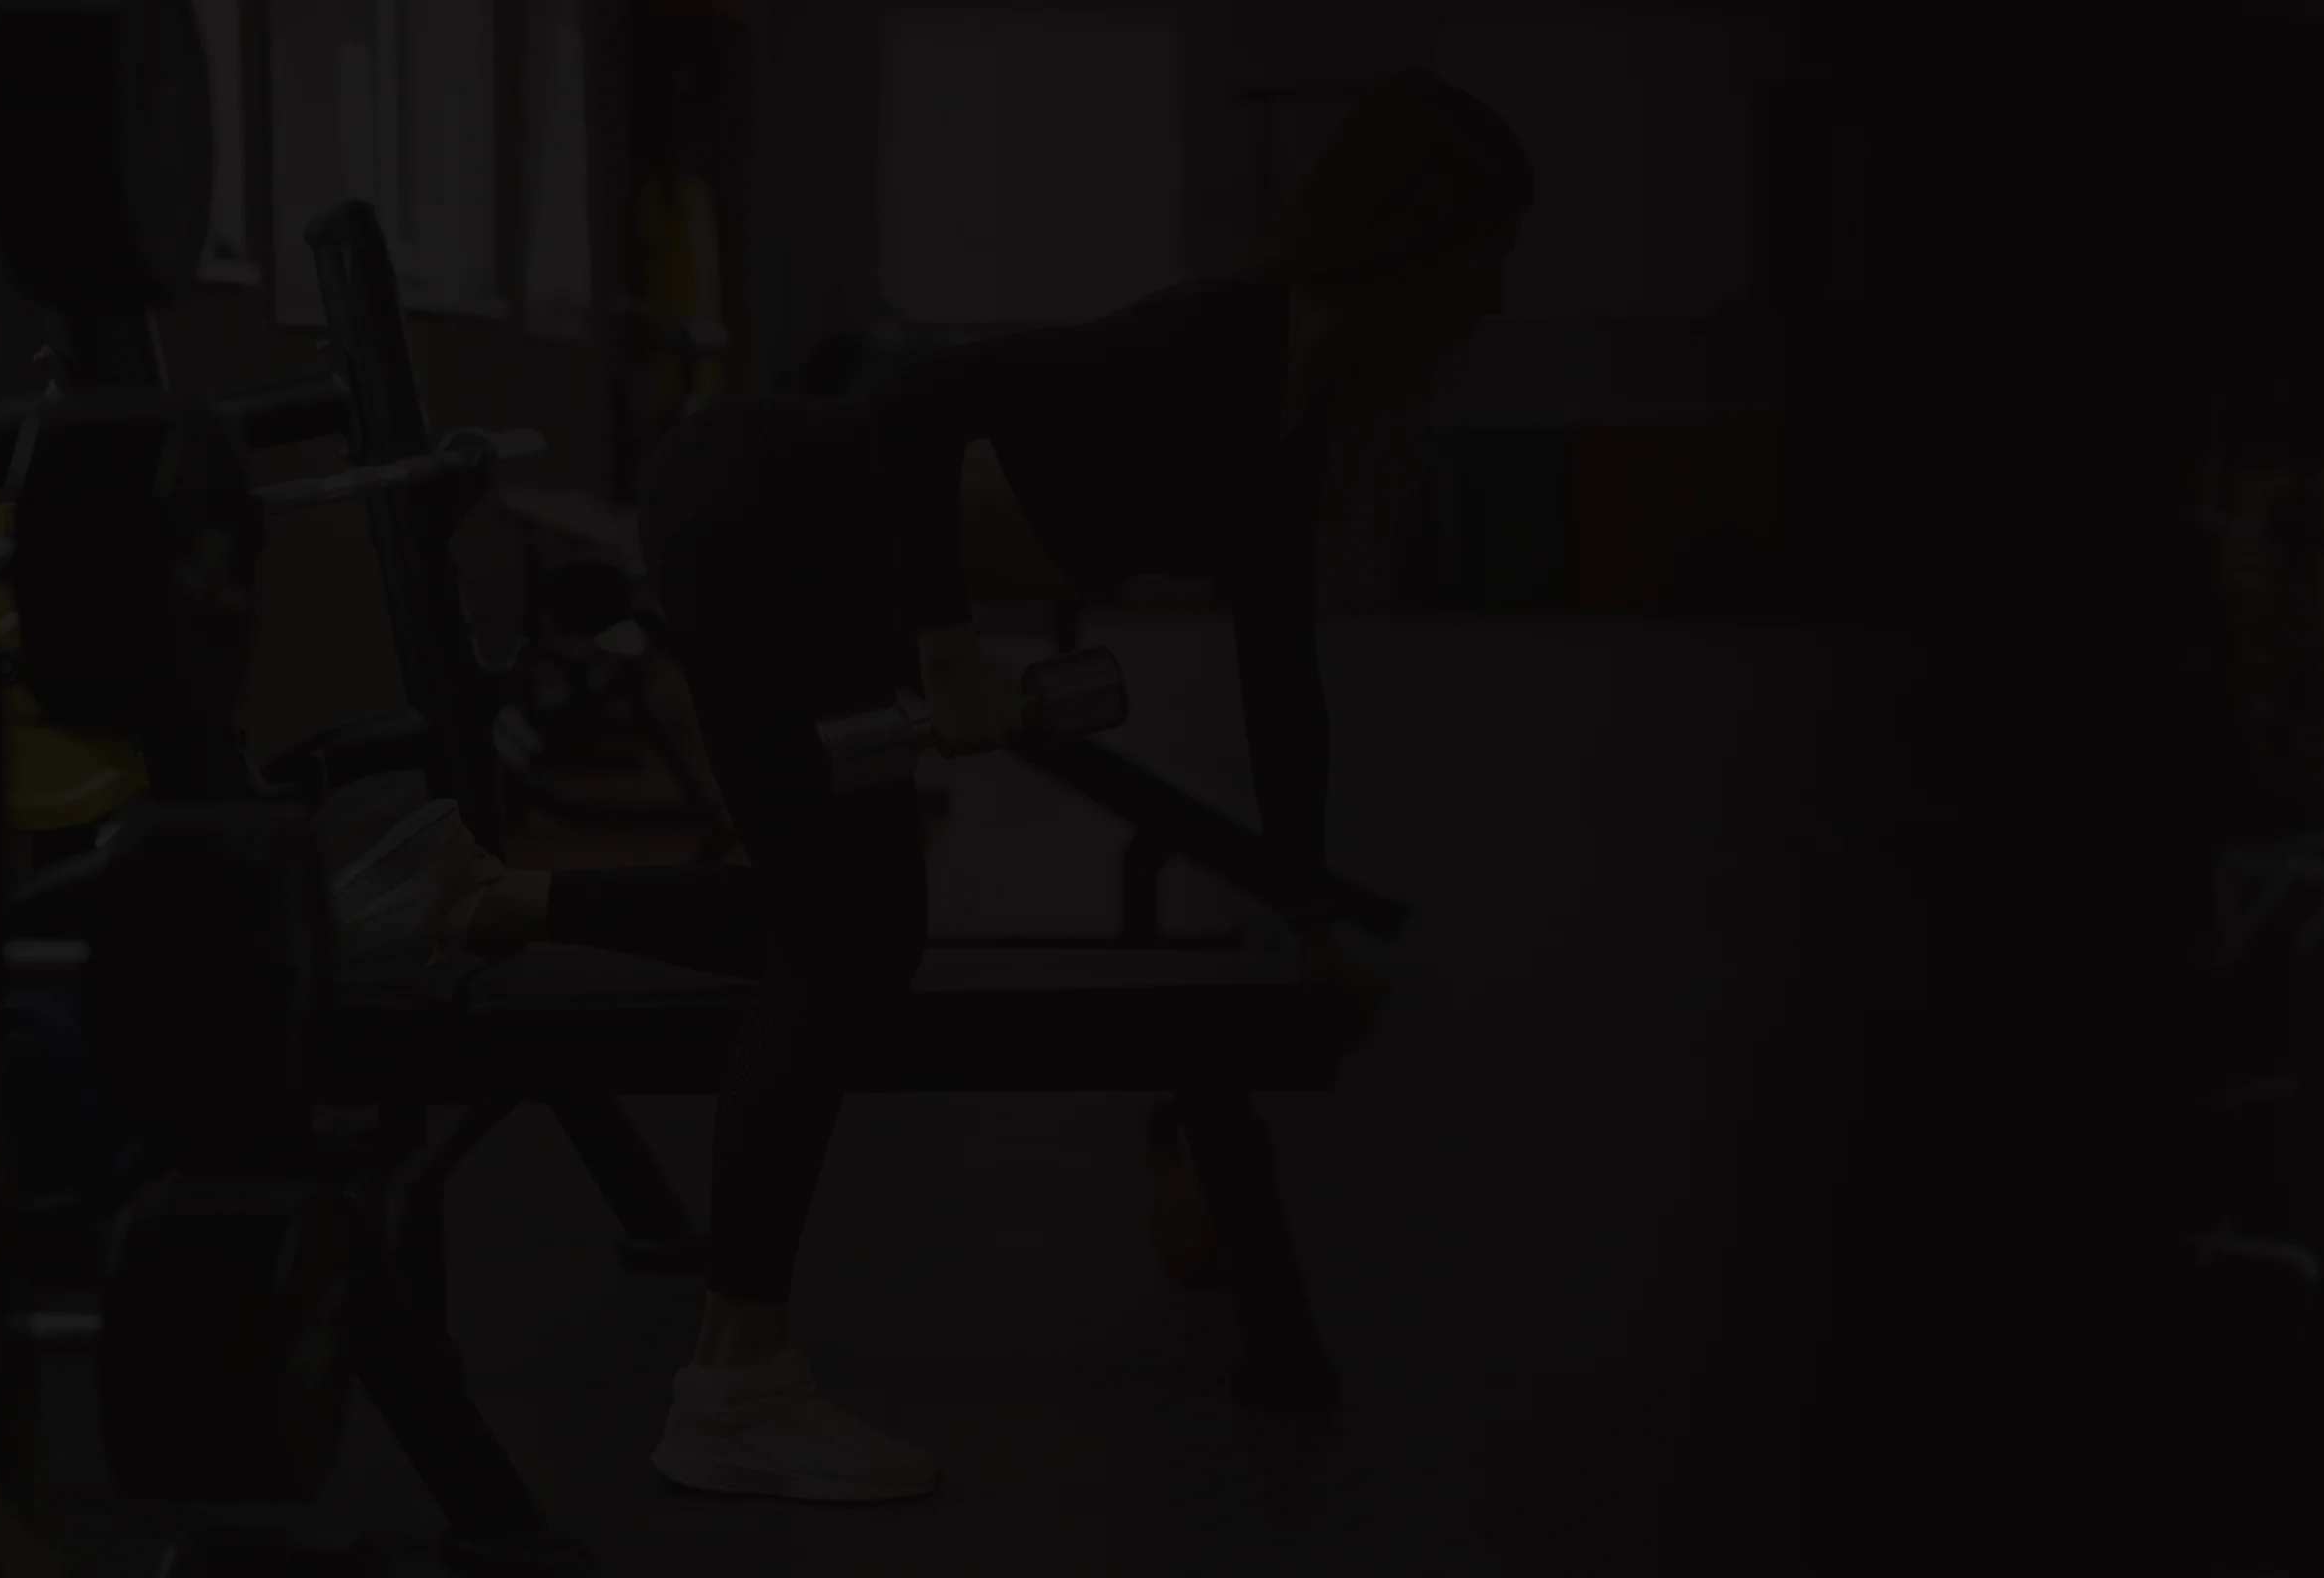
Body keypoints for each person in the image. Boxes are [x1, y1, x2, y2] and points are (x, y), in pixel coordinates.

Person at [318, 68, 1528, 1501]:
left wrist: (1312, 918)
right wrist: (952, 650)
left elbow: (1285, 688)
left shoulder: (1292, 425)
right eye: (1494, 255)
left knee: (828, 925)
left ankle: (485, 893)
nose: (1500, 294)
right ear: (1425, 243)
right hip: (768, 513)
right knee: (846, 948)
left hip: (798, 552)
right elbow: (920, 405)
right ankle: (734, 1381)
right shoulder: (1220, 345)